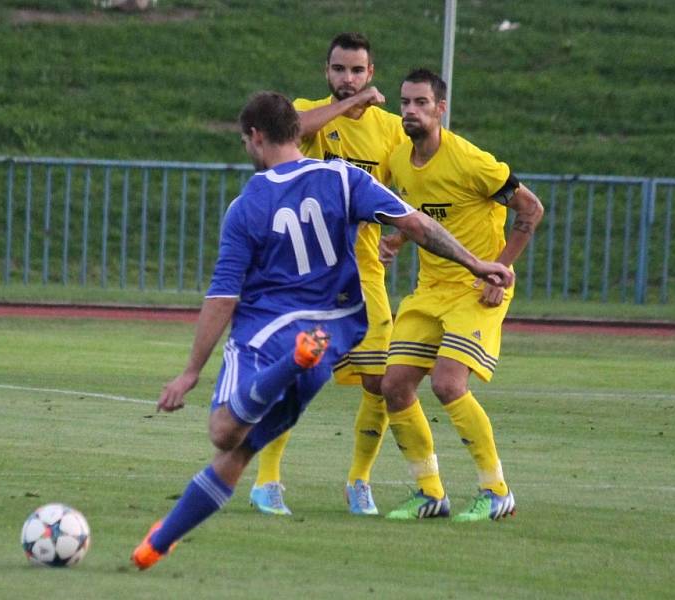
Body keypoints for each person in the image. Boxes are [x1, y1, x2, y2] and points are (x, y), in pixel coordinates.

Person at [131, 91, 514, 570]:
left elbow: (223, 296)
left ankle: (292, 360)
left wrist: (190, 371)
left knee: (223, 431)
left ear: (255, 137)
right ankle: (157, 544)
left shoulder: (247, 205)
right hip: (332, 334)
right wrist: (477, 262)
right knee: (241, 450)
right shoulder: (345, 178)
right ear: (297, 130)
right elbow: (416, 225)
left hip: (268, 335)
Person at [250, 32, 408, 517]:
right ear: (327, 72)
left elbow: (410, 188)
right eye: (339, 70)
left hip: (364, 274)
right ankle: (267, 481)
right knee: (299, 374)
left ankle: (359, 481)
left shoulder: (391, 130)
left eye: (357, 71)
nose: (348, 78)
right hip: (309, 275)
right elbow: (293, 131)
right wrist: (352, 103)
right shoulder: (309, 114)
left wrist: (398, 237)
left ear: (371, 72)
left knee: (379, 381)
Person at [379, 68, 544, 521]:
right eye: (405, 102)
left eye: (421, 103)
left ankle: (496, 491)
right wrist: (396, 240)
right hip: (430, 289)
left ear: (441, 109)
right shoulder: (397, 160)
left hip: (478, 287)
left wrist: (500, 272)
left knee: (448, 383)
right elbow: (423, 218)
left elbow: (531, 208)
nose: (411, 110)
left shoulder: (471, 161)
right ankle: (430, 493)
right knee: (393, 385)